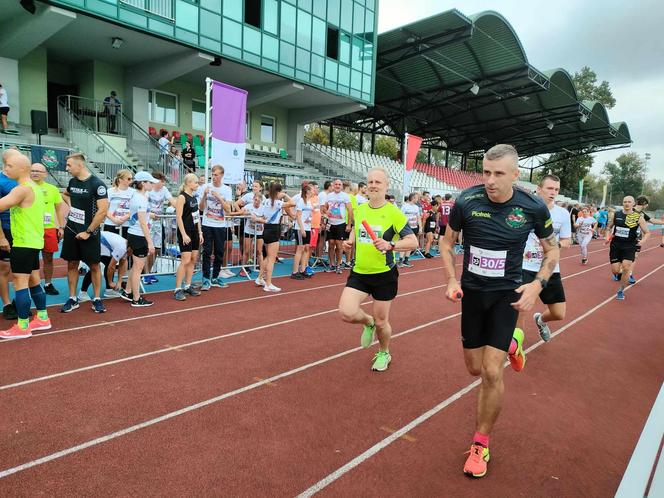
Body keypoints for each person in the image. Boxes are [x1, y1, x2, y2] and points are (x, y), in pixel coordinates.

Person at [439, 144, 559, 478]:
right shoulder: (466, 201)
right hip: (473, 295)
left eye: (498, 174)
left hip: (507, 294)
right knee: (474, 369)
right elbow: (447, 244)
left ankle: (481, 444)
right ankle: (515, 341)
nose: (490, 180)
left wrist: (537, 285)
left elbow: (552, 251)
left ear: (515, 174)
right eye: (486, 173)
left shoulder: (532, 206)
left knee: (493, 372)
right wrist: (451, 279)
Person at [338, 167, 417, 371]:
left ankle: (383, 352)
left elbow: (413, 241)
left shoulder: (394, 213)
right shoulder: (360, 209)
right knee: (346, 313)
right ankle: (367, 321)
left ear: (386, 186)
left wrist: (391, 245)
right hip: (360, 272)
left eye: (377, 182)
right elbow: (358, 229)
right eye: (370, 182)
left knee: (383, 322)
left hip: (384, 275)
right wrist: (350, 242)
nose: (373, 185)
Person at [0, 151, 49, 339]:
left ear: (22, 168)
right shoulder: (34, 187)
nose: (5, 169)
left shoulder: (22, 189)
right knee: (34, 280)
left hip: (23, 242)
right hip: (33, 241)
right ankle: (43, 317)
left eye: (9, 166)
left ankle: (22, 326)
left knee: (20, 283)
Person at [518, 174, 571, 343]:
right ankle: (514, 345)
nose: (553, 192)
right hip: (525, 266)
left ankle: (540, 321)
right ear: (539, 189)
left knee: (559, 313)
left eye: (556, 189)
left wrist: (554, 247)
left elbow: (567, 240)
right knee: (520, 308)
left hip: (550, 268)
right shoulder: (524, 210)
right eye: (549, 188)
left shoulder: (562, 214)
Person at [60, 153, 109, 314]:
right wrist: (72, 207)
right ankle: (73, 298)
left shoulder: (97, 184)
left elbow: (103, 211)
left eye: (69, 165)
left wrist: (88, 231)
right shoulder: (73, 182)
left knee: (94, 265)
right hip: (71, 229)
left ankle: (96, 299)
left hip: (90, 232)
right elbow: (65, 194)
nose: (66, 169)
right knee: (72, 263)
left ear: (79, 165)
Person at [122, 171, 159, 306]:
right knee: (138, 269)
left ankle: (128, 291)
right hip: (139, 235)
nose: (152, 184)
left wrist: (150, 214)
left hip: (134, 233)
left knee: (136, 267)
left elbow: (140, 216)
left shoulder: (137, 195)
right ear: (143, 183)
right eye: (150, 182)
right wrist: (150, 243)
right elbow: (143, 223)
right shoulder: (140, 198)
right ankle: (136, 299)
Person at [29, 163, 66, 295]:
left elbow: (59, 209)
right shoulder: (24, 188)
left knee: (48, 258)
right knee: (31, 259)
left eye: (38, 171)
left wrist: (61, 227)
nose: (35, 173)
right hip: (31, 228)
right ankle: (32, 284)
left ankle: (48, 283)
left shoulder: (52, 189)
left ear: (45, 174)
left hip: (49, 228)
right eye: (32, 170)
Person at [607, 196, 650, 300]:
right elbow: (609, 227)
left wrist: (642, 241)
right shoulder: (617, 214)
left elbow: (647, 232)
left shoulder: (638, 217)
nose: (627, 204)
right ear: (622, 203)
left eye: (629, 202)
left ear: (633, 204)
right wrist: (607, 237)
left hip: (630, 246)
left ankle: (621, 290)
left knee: (626, 267)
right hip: (616, 245)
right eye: (625, 202)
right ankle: (620, 275)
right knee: (616, 271)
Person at [199, 164, 233, 290]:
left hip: (220, 225)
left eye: (216, 175)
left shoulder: (227, 190)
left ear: (222, 175)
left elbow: (228, 209)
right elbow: (201, 208)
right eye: (212, 175)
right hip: (207, 224)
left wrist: (219, 198)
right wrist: (204, 195)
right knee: (207, 252)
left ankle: (215, 277)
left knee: (219, 252)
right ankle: (206, 279)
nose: (214, 177)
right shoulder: (206, 187)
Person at [253, 182, 292, 292]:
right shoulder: (277, 203)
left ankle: (260, 278)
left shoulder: (265, 201)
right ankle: (268, 283)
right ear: (278, 192)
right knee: (271, 259)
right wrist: (285, 195)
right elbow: (292, 203)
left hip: (266, 228)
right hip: (274, 229)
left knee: (268, 257)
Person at [103, 169, 134, 295]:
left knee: (124, 256)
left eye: (131, 179)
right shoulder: (110, 191)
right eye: (128, 178)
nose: (131, 181)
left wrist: (125, 218)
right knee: (108, 259)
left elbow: (135, 208)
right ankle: (109, 286)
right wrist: (114, 219)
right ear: (120, 179)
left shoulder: (133, 192)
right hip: (111, 225)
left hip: (126, 226)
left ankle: (122, 284)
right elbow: (104, 208)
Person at [173, 173, 203, 301]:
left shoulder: (194, 198)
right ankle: (177, 289)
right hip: (185, 232)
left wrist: (200, 232)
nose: (197, 184)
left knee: (193, 259)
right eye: (195, 182)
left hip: (195, 232)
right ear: (188, 183)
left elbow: (197, 218)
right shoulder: (182, 197)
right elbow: (178, 217)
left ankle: (188, 285)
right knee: (185, 260)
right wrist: (184, 234)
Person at [79, 230, 127, 301]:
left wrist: (119, 281)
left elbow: (122, 263)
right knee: (95, 267)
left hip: (102, 243)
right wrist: (111, 282)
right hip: (94, 242)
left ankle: (109, 290)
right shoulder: (122, 248)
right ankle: (82, 292)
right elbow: (112, 267)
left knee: (107, 262)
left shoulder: (127, 245)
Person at [145, 171, 175, 283]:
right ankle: (145, 274)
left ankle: (149, 272)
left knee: (157, 249)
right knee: (148, 249)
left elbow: (172, 201)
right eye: (162, 182)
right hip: (147, 222)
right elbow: (143, 204)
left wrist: (180, 207)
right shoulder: (148, 189)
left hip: (158, 223)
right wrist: (149, 213)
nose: (163, 184)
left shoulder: (164, 190)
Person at [321, 179, 353, 274]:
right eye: (336, 184)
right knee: (331, 244)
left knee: (339, 245)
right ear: (333, 185)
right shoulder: (329, 196)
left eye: (339, 184)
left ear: (342, 186)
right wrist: (326, 212)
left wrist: (348, 224)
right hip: (330, 223)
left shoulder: (345, 196)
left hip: (340, 223)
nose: (338, 186)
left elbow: (350, 210)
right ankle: (331, 265)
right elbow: (324, 208)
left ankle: (338, 265)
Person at [629, 196, 664, 282]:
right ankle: (619, 272)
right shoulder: (629, 210)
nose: (647, 206)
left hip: (637, 238)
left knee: (634, 256)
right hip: (626, 237)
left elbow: (652, 220)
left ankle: (629, 274)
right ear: (644, 204)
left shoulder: (642, 213)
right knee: (624, 256)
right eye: (647, 204)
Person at [0, 156, 18, 319]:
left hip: (23, 232)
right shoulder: (0, 180)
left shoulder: (23, 180)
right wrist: (1, 237)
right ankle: (6, 304)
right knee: (4, 268)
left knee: (23, 269)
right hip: (6, 230)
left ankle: (19, 300)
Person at [291, 183, 315, 280]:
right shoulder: (301, 201)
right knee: (300, 249)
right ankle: (295, 271)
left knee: (306, 248)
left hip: (308, 227)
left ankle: (303, 269)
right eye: (312, 190)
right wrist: (302, 229)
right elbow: (299, 216)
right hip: (301, 228)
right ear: (308, 191)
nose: (314, 191)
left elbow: (308, 215)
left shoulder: (309, 202)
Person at [399, 192, 421, 267]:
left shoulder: (416, 207)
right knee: (404, 243)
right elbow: (400, 217)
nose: (418, 199)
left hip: (414, 227)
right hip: (406, 228)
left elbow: (418, 217)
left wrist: (420, 227)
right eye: (417, 198)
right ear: (413, 198)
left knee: (410, 244)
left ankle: (406, 260)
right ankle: (400, 260)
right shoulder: (405, 206)